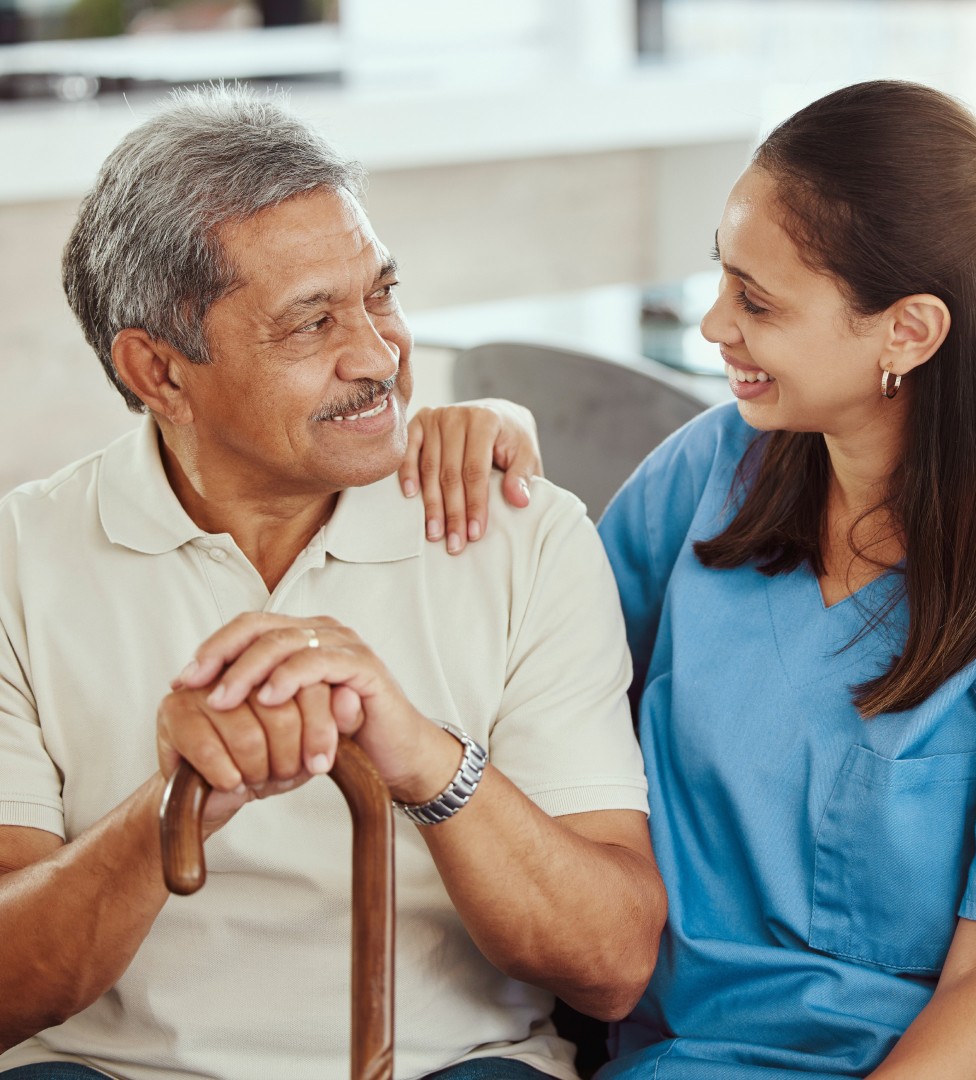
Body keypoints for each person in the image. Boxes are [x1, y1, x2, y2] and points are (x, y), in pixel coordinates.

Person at [404, 80, 976, 1078]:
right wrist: (505, 443)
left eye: (758, 302)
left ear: (908, 332)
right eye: (723, 278)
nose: (715, 324)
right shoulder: (711, 471)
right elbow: (533, 669)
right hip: (698, 1055)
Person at [0, 85, 667, 1080]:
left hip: (456, 1066)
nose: (380, 354)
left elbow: (611, 969)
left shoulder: (523, 534)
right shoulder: (18, 560)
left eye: (382, 294)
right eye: (310, 324)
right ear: (159, 371)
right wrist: (180, 804)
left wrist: (426, 763)